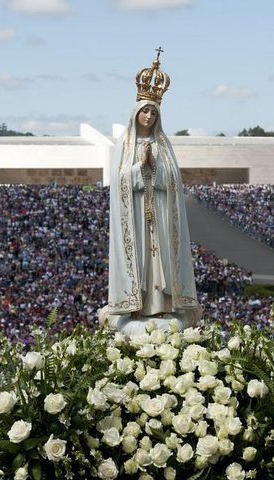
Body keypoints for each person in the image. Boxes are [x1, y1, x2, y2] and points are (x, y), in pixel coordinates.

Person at [102, 49, 201, 334]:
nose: (148, 116)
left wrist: (154, 168)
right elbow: (120, 181)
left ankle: (162, 303)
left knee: (161, 258)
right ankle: (137, 303)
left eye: (153, 112)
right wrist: (139, 167)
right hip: (134, 215)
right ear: (135, 114)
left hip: (158, 211)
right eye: (144, 111)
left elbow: (173, 180)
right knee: (141, 259)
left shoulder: (163, 145)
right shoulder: (125, 145)